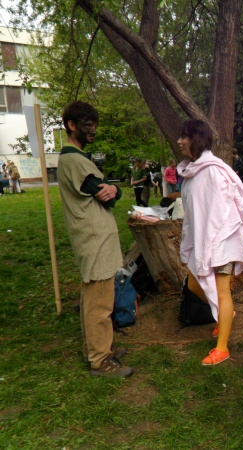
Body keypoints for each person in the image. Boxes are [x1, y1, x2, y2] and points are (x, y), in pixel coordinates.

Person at [57, 100, 133, 378]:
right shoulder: (74, 160)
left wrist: (114, 189)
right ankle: (100, 360)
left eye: (95, 125)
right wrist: (115, 190)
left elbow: (108, 191)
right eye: (87, 125)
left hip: (96, 237)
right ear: (71, 125)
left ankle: (97, 347)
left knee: (95, 297)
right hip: (93, 239)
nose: (93, 130)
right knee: (99, 302)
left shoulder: (78, 158)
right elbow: (106, 196)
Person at [178, 119, 243, 366]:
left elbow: (224, 210)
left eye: (184, 137)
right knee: (193, 284)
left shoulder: (215, 171)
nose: (179, 141)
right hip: (204, 240)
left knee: (222, 292)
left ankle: (222, 349)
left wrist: (214, 242)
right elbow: (194, 213)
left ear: (196, 139)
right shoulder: (192, 172)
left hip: (222, 240)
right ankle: (224, 314)